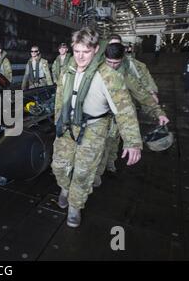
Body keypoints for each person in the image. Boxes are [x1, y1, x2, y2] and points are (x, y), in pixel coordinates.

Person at [51, 27, 142, 228]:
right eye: (77, 51)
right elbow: (59, 99)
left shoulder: (108, 76)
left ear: (95, 50)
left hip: (94, 128)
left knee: (83, 173)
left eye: (85, 51)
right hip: (67, 127)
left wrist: (133, 141)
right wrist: (58, 121)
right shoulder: (67, 71)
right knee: (58, 167)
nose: (80, 56)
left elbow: (124, 109)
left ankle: (75, 207)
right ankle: (65, 189)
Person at [93, 43, 170, 186]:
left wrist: (158, 112)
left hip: (118, 118)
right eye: (109, 62)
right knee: (99, 148)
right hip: (98, 119)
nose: (112, 66)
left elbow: (143, 95)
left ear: (122, 59)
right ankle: (96, 177)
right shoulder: (96, 70)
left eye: (116, 63)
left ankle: (109, 167)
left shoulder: (125, 75)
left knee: (113, 144)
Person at [109, 34, 159, 104]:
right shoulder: (100, 63)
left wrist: (152, 93)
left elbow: (143, 77)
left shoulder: (131, 63)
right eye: (111, 46)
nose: (114, 49)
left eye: (117, 46)